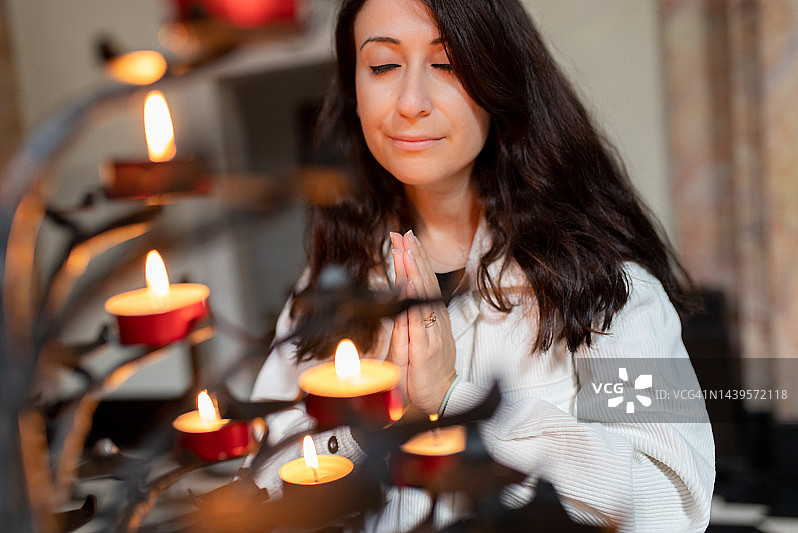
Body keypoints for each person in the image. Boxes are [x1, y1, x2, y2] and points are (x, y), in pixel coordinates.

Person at [248, 0, 715, 531]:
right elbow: (257, 481)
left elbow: (670, 503)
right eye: (383, 65)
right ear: (354, 87)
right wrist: (366, 424)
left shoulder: (603, 284)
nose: (411, 102)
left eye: (447, 65)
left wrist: (453, 398)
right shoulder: (326, 291)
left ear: (498, 79)